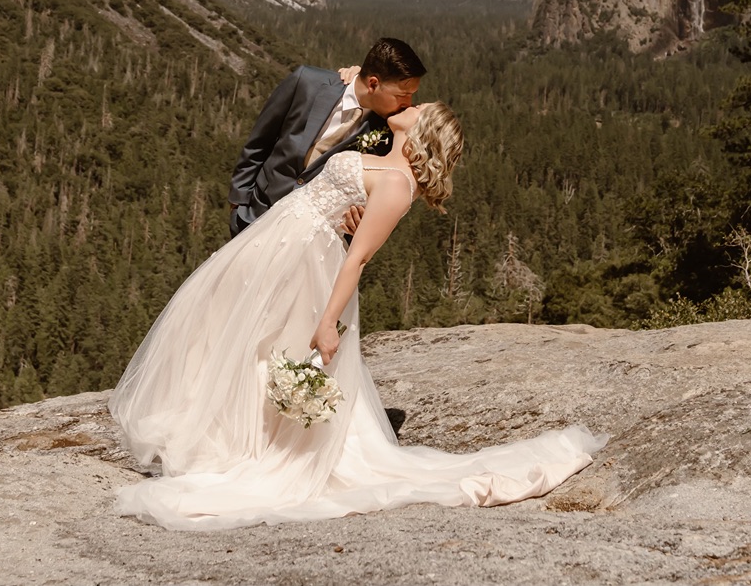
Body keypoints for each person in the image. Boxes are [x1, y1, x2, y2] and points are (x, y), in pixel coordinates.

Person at [109, 102, 607, 531]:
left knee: (272, 347)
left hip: (305, 263)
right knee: (228, 333)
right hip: (279, 243)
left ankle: (254, 447)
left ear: (424, 130)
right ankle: (227, 433)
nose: (407, 106)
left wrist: (328, 322)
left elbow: (359, 258)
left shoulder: (397, 185)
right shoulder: (383, 157)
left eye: (417, 107)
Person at [228, 37, 424, 238]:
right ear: (373, 84)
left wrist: (359, 221)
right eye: (402, 95)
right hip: (255, 214)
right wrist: (238, 203)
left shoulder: (388, 132)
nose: (408, 103)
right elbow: (260, 140)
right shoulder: (306, 82)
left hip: (306, 238)